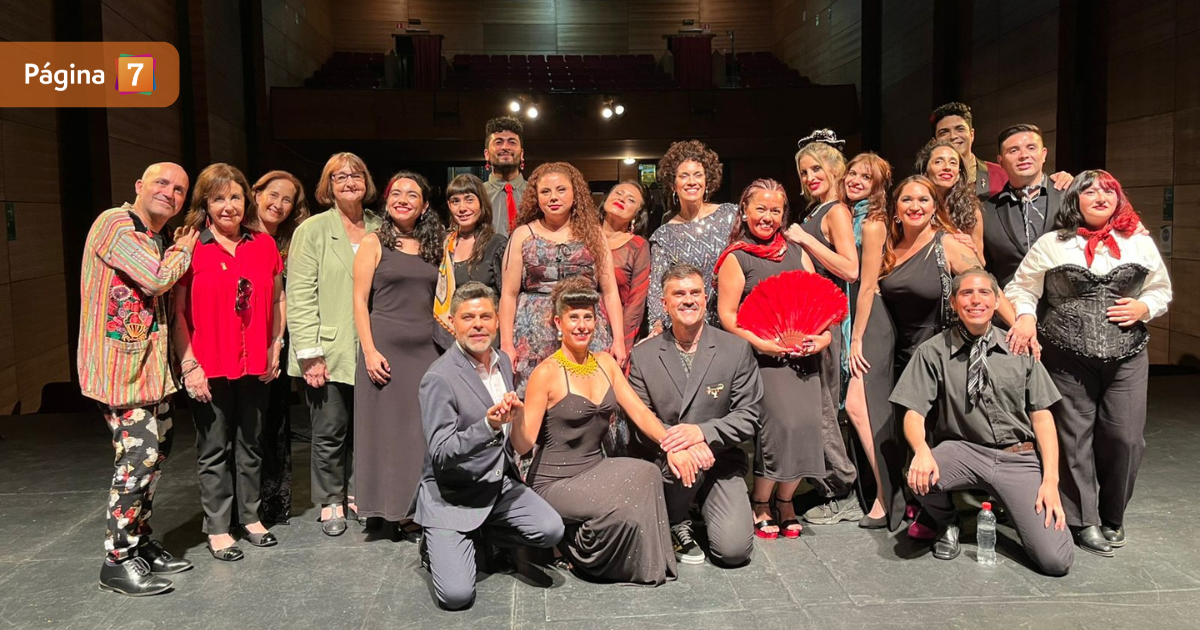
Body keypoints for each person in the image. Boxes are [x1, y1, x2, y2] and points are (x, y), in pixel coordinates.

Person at [1006, 170, 1172, 557]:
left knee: (1126, 437)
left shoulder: (1138, 242)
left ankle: (1113, 514)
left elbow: (1160, 288)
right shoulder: (1053, 243)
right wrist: (1026, 315)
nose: (1101, 196)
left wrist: (1145, 305)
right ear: (1074, 200)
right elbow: (1023, 286)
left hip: (1127, 352)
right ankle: (1085, 519)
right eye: (1090, 190)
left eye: (1109, 190)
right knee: (1073, 438)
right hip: (1065, 352)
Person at [892, 268, 1074, 577]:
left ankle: (1012, 505)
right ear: (953, 303)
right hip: (966, 452)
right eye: (966, 293)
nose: (976, 300)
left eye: (984, 293)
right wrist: (922, 450)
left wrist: (1051, 481)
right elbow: (913, 411)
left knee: (1055, 561)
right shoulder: (933, 351)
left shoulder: (1019, 348)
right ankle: (947, 521)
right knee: (918, 473)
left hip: (1017, 458)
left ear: (996, 300)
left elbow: (1043, 417)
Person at [866, 175, 1017, 538]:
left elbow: (985, 284)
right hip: (901, 354)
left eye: (923, 199)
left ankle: (942, 516)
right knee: (910, 434)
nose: (915, 206)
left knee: (938, 435)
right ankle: (923, 506)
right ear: (896, 209)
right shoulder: (888, 246)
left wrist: (1019, 327)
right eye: (907, 200)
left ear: (935, 207)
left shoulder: (945, 243)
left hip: (943, 353)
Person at [515, 276, 689, 585]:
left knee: (649, 473)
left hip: (595, 467)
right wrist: (514, 417)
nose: (581, 325)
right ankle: (575, 548)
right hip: (555, 481)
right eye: (573, 317)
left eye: (587, 317)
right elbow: (525, 443)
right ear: (558, 322)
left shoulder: (606, 363)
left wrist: (672, 444)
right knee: (619, 508)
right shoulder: (546, 373)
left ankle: (641, 559)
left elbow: (638, 411)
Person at [80, 162, 198, 595]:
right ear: (139, 187)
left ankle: (141, 542)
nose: (170, 192)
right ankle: (117, 558)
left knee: (156, 455)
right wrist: (183, 249)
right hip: (118, 373)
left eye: (179, 189)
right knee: (138, 458)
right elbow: (155, 278)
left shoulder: (154, 237)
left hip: (151, 372)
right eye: (162, 183)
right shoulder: (115, 223)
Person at [414, 282, 564, 610]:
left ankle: (483, 535)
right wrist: (487, 426)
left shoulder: (503, 361)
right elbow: (440, 452)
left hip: (497, 485)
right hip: (453, 497)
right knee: (456, 597)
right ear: (452, 322)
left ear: (497, 321)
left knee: (551, 529)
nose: (478, 324)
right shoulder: (438, 378)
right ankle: (435, 544)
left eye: (485, 316)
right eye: (468, 317)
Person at [173, 163, 285, 561]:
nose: (228, 206)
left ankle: (251, 517)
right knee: (214, 448)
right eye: (219, 198)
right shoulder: (191, 247)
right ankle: (219, 527)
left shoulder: (264, 245)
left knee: (251, 444)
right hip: (210, 364)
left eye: (235, 197)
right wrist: (189, 365)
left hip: (255, 360)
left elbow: (276, 298)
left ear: (245, 200)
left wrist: (276, 343)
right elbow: (179, 313)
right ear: (205, 203)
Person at [715, 179, 830, 540]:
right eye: (760, 209)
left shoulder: (798, 252)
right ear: (745, 211)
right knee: (780, 429)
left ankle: (786, 501)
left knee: (808, 427)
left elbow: (820, 307)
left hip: (804, 358)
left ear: (784, 215)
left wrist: (822, 338)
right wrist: (762, 344)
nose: (767, 216)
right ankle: (761, 501)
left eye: (775, 210)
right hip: (763, 361)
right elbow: (727, 317)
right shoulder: (737, 257)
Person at [629, 263, 762, 567]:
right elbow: (640, 420)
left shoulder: (736, 349)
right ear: (664, 303)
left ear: (706, 298)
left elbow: (749, 415)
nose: (688, 300)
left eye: (695, 293)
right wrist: (680, 444)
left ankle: (706, 506)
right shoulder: (644, 356)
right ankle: (676, 520)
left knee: (733, 552)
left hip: (720, 459)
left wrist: (702, 433)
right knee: (684, 462)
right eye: (678, 294)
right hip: (670, 462)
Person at [287, 152, 382, 536]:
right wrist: (309, 353)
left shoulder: (381, 224)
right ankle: (330, 500)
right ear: (327, 185)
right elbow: (300, 295)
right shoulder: (311, 230)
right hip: (329, 349)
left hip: (374, 346)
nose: (348, 181)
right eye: (338, 176)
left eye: (355, 174)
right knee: (330, 430)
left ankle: (361, 493)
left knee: (368, 429)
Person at [353, 171, 445, 535]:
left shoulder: (436, 245)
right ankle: (383, 508)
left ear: (424, 207)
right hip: (385, 348)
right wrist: (370, 351)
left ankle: (414, 508)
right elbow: (360, 302)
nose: (403, 198)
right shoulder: (374, 243)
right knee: (385, 432)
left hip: (426, 349)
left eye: (412, 194)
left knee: (417, 432)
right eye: (396, 193)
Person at [786, 130, 862, 525]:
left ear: (835, 168)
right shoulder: (814, 212)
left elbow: (850, 269)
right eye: (804, 171)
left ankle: (842, 490)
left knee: (823, 410)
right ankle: (824, 486)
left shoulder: (836, 211)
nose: (810, 176)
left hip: (830, 323)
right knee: (811, 409)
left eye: (817, 168)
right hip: (810, 319)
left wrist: (804, 241)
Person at [500, 162, 625, 395]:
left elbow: (609, 291)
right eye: (545, 192)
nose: (553, 197)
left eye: (561, 190)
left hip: (586, 325)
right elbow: (508, 294)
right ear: (535, 197)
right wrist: (507, 344)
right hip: (534, 330)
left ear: (574, 193)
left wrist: (619, 339)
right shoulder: (522, 234)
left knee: (589, 393)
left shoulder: (593, 233)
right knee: (536, 396)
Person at [841, 152, 902, 529]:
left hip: (870, 321)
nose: (856, 180)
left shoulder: (875, 222)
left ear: (879, 186)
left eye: (867, 177)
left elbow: (866, 286)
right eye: (852, 173)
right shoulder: (851, 215)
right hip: (853, 317)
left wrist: (857, 339)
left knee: (866, 409)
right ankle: (883, 493)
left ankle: (888, 497)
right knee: (858, 409)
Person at [249, 170, 310, 525]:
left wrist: (280, 340)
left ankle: (272, 501)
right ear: (256, 193)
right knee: (244, 427)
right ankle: (241, 504)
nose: (279, 204)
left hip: (277, 341)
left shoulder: (290, 241)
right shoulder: (235, 236)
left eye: (288, 199)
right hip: (242, 339)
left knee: (274, 422)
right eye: (273, 195)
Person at [647, 140, 739, 332]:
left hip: (735, 321)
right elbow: (657, 288)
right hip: (688, 326)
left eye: (698, 175)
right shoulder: (664, 235)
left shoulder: (730, 215)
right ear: (674, 184)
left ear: (707, 181)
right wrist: (657, 326)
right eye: (684, 176)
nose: (692, 182)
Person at [931, 102, 1073, 200]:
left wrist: (1060, 180)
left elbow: (1034, 185)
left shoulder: (1001, 172)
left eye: (960, 129)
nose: (953, 136)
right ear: (935, 141)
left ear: (972, 134)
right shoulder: (925, 181)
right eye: (944, 132)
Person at [982, 124, 1066, 286]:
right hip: (1010, 305)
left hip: (1064, 306)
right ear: (1000, 161)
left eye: (1031, 148)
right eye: (1013, 150)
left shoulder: (1070, 196)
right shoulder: (986, 210)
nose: (1023, 155)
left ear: (1043, 154)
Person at [436, 174, 508, 336]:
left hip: (485, 334)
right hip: (450, 335)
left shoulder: (496, 244)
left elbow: (507, 298)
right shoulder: (444, 243)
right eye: (455, 201)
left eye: (469, 199)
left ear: (481, 203)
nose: (462, 208)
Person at [599, 180, 652, 351]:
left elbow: (636, 303)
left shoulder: (637, 246)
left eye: (631, 200)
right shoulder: (580, 235)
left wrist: (622, 343)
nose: (622, 199)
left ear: (637, 214)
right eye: (618, 193)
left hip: (612, 335)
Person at [915, 137, 984, 260]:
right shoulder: (913, 206)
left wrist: (972, 248)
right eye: (938, 162)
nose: (947, 167)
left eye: (953, 163)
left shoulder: (970, 210)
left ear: (958, 174)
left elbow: (981, 263)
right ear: (925, 171)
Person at [482, 116, 527, 236]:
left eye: (512, 142)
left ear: (522, 153)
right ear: (487, 154)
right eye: (498, 142)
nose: (505, 147)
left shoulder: (537, 193)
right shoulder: (477, 194)